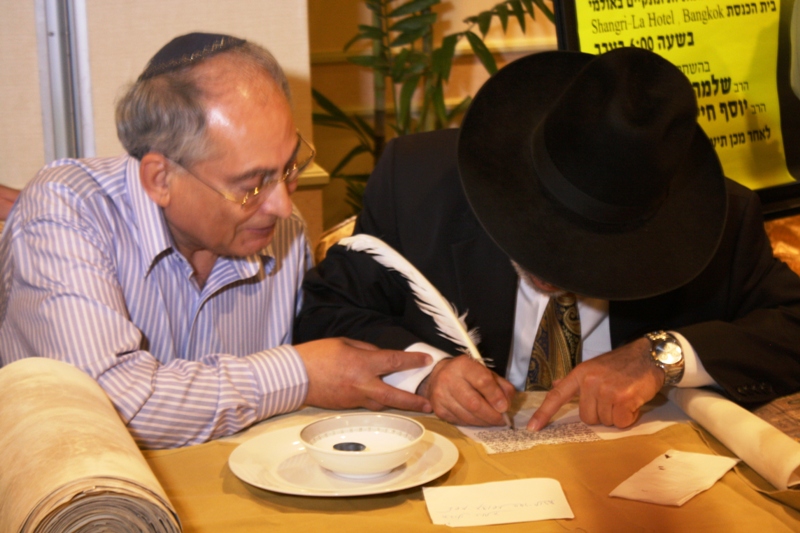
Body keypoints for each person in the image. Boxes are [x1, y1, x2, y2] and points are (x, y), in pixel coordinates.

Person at [295, 47, 800, 431]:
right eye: (544, 232)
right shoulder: (416, 185)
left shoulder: (722, 222)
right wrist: (426, 370)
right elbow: (324, 313)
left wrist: (660, 357)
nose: (555, 269)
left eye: (588, 253)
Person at [0, 33, 432, 449]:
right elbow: (108, 406)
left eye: (288, 168)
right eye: (250, 184)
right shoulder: (67, 209)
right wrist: (298, 373)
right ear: (160, 178)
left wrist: (430, 373)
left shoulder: (282, 230)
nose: (282, 206)